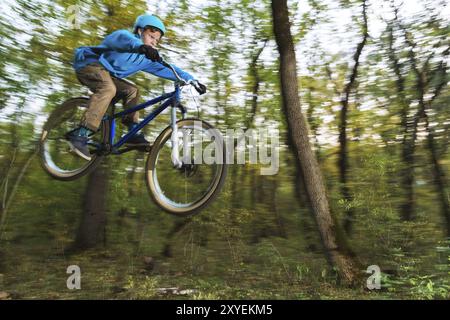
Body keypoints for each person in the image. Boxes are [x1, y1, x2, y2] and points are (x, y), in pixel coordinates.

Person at [69, 14, 206, 160]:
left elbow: (167, 68)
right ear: (140, 31)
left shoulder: (145, 58)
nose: (154, 42)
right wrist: (141, 47)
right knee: (108, 88)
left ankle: (132, 131)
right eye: (151, 36)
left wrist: (192, 80)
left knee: (132, 91)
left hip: (107, 74)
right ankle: (80, 134)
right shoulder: (124, 37)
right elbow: (125, 41)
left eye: (156, 41)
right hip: (89, 64)